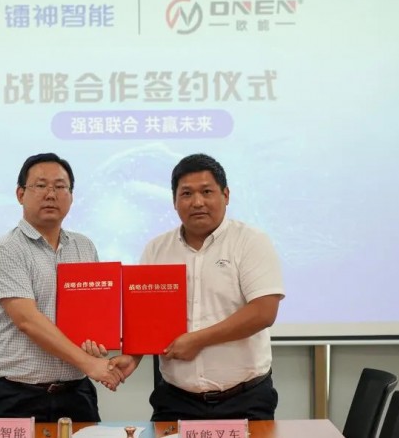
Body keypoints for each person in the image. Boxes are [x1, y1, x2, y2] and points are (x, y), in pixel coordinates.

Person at [86, 153, 284, 420]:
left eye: (207, 192)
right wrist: (133, 357)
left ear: (226, 195)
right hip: (176, 401)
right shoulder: (157, 249)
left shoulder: (250, 241)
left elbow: (263, 312)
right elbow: (148, 316)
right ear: (174, 201)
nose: (197, 202)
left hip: (245, 401)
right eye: (187, 194)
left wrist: (198, 340)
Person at [0, 152, 123, 422]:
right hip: (16, 396)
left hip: (76, 393)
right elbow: (28, 321)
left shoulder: (84, 246)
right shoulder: (5, 250)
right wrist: (90, 364)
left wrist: (96, 343)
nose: (50, 194)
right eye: (40, 185)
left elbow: (92, 313)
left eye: (60, 186)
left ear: (71, 196)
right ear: (20, 194)